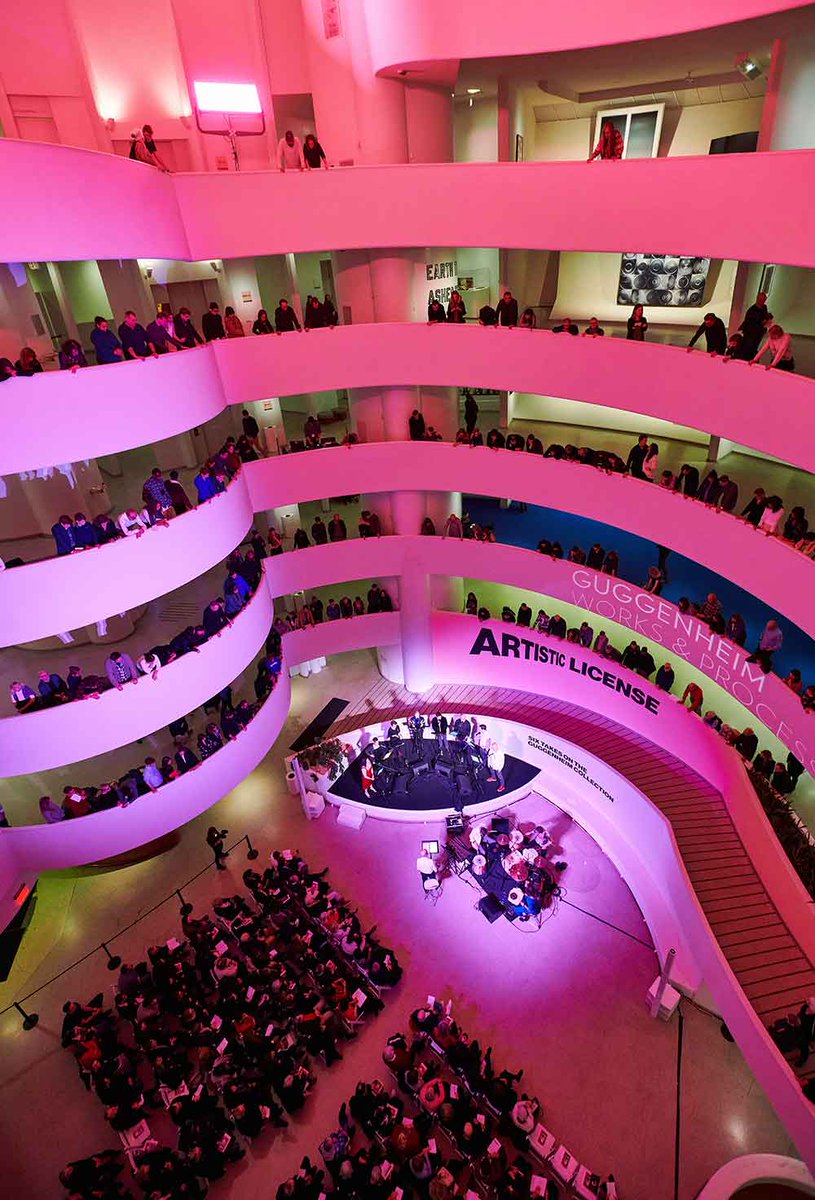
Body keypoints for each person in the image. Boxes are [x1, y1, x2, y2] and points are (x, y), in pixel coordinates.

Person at [739, 290, 769, 358]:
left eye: (764, 300)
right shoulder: (751, 311)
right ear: (757, 299)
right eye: (760, 299)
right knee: (748, 350)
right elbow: (750, 323)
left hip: (758, 334)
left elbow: (765, 317)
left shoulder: (764, 307)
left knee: (754, 349)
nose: (762, 301)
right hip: (750, 335)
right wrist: (763, 322)